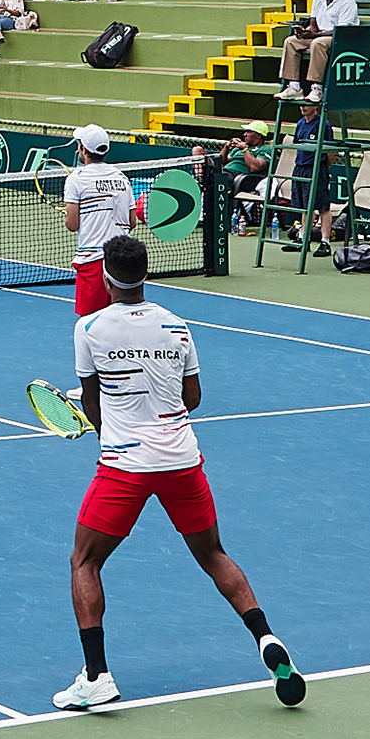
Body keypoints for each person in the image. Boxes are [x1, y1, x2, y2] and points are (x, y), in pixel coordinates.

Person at [54, 233, 304, 713]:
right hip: (183, 462)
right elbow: (192, 399)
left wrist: (104, 420)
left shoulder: (88, 329)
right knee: (213, 554)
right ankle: (266, 637)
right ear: (145, 273)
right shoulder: (177, 327)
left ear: (105, 275)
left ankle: (96, 676)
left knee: (84, 561)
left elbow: (91, 401)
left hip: (125, 466)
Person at [62, 124, 141, 316]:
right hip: (120, 261)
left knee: (90, 323)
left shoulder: (76, 179)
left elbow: (72, 225)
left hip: (93, 261)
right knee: (119, 320)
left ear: (83, 149)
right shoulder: (122, 178)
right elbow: (132, 222)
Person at [276, 0, 358, 104]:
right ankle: (294, 88)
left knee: (317, 43)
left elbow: (341, 30)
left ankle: (317, 88)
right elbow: (313, 25)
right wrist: (304, 31)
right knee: (291, 41)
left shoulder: (346, 1)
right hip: (320, 35)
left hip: (340, 38)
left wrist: (314, 35)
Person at [279, 100, 333, 255]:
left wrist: (322, 169)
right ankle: (303, 239)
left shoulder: (324, 124)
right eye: (301, 104)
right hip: (300, 169)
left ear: (315, 106)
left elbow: (330, 152)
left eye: (306, 104)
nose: (303, 107)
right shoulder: (300, 123)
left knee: (323, 207)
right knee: (305, 207)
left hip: (316, 169)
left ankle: (325, 243)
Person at [219, 120, 272, 204]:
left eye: (249, 132)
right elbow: (221, 162)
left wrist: (244, 149)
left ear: (258, 135)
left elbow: (255, 167)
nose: (244, 135)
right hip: (225, 172)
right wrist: (226, 147)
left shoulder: (265, 149)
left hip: (242, 177)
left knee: (220, 179)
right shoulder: (239, 148)